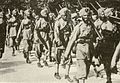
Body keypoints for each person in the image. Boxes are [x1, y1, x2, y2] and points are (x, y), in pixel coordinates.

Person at [64, 7, 96, 83]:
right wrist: (67, 53)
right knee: (82, 68)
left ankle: (76, 78)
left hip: (89, 48)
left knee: (87, 68)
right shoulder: (78, 27)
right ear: (82, 16)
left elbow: (94, 36)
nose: (87, 17)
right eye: (85, 15)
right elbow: (72, 40)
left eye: (88, 15)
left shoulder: (91, 25)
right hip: (80, 48)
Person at [94, 8, 117, 83]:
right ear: (99, 14)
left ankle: (108, 78)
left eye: (104, 13)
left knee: (108, 61)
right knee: (103, 61)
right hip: (101, 44)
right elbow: (93, 35)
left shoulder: (110, 22)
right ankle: (98, 70)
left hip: (110, 44)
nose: (103, 15)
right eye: (101, 13)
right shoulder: (96, 23)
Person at [54, 7, 73, 82]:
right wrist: (57, 40)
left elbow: (73, 30)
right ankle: (56, 72)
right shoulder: (58, 22)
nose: (65, 17)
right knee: (57, 58)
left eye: (66, 15)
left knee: (68, 58)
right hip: (60, 42)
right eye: (64, 15)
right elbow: (56, 32)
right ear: (61, 15)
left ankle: (67, 74)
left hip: (67, 41)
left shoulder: (70, 22)